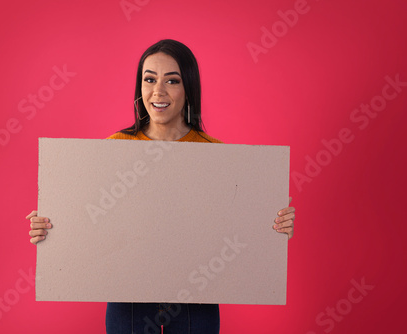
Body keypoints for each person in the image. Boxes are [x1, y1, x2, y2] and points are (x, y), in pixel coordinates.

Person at [27, 39, 296, 334]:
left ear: (188, 88)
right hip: (127, 297)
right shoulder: (113, 150)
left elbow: (239, 227)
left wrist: (274, 226)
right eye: (150, 79)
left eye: (172, 80)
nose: (158, 91)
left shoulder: (218, 156)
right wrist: (51, 226)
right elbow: (87, 218)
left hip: (198, 297)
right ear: (139, 88)